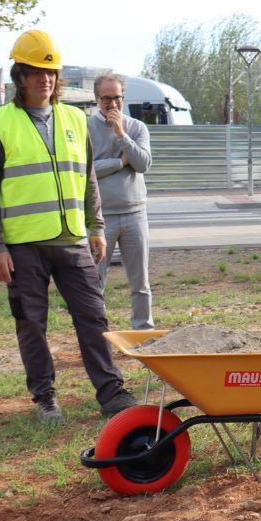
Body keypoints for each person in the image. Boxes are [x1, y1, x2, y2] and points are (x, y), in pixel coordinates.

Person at [0, 29, 137, 423]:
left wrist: (96, 227)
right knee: (32, 323)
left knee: (94, 316)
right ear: (20, 76)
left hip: (73, 241)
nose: (43, 79)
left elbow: (87, 179)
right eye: (34, 72)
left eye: (49, 72)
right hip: (22, 245)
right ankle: (46, 397)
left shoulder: (73, 118)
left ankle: (111, 392)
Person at [89, 72, 154, 331]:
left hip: (134, 213)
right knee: (95, 281)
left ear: (123, 98)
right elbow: (85, 169)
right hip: (99, 217)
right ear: (96, 99)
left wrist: (121, 135)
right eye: (106, 99)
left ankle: (143, 330)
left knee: (140, 282)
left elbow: (142, 163)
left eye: (117, 98)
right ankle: (98, 333)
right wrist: (118, 162)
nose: (112, 104)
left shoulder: (136, 127)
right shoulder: (85, 129)